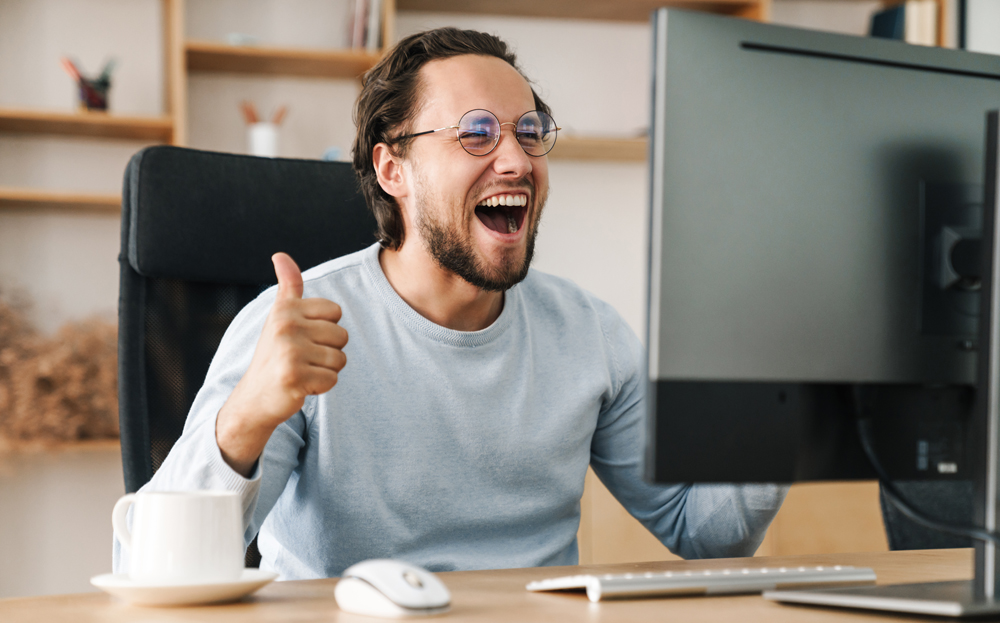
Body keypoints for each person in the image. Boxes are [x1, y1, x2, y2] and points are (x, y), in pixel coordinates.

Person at [115, 28, 786, 579]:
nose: (517, 160)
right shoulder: (297, 325)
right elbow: (145, 569)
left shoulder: (591, 335)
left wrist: (788, 400)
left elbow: (704, 536)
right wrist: (246, 416)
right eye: (476, 132)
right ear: (392, 170)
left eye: (529, 131)